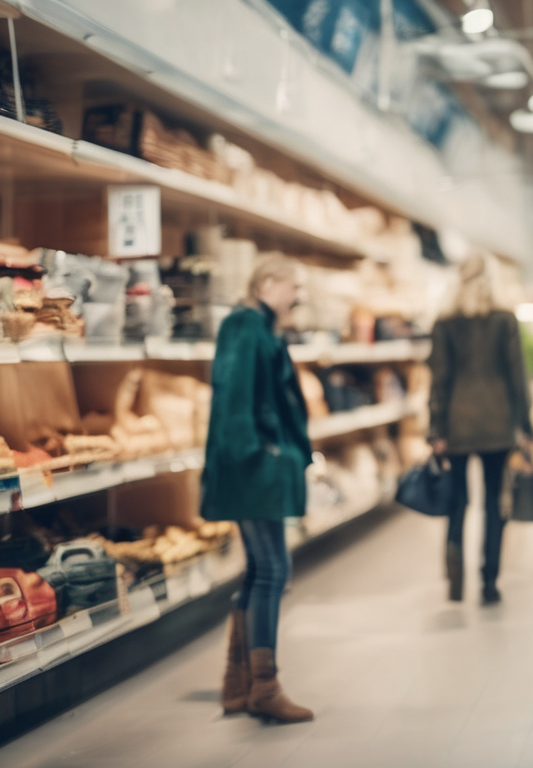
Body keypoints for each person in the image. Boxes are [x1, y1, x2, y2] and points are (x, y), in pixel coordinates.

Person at [204, 255, 314, 724]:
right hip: (252, 469)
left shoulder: (258, 327)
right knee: (273, 568)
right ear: (269, 283)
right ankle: (264, 687)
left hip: (255, 466)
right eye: (293, 286)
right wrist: (259, 454)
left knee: (259, 570)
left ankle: (239, 682)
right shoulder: (246, 327)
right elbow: (234, 398)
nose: (298, 296)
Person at [429, 255, 532, 606]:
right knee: (494, 502)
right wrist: (526, 425)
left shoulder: (445, 324)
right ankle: (489, 581)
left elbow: (439, 380)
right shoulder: (505, 320)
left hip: (457, 421)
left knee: (458, 500)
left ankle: (455, 565)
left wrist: (435, 429)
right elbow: (518, 378)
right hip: (497, 421)